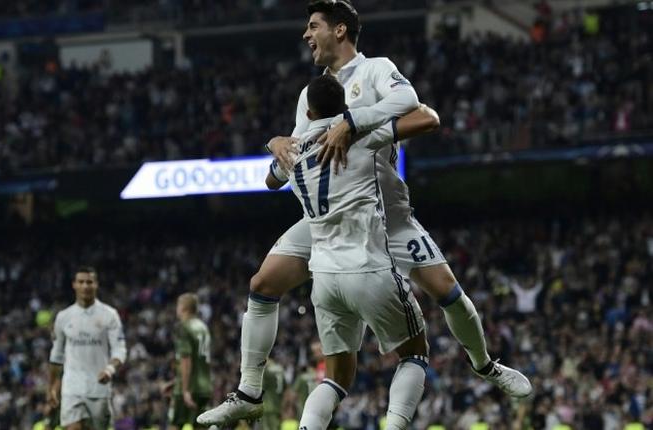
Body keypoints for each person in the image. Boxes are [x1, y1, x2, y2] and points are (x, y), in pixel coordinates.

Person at [198, 0, 531, 426]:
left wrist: (353, 122)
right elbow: (302, 147)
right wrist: (276, 143)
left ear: (339, 30)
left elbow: (413, 103)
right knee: (262, 283)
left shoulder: (376, 69)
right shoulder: (310, 93)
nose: (306, 35)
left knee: (448, 291)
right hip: (333, 216)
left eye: (313, 26)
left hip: (388, 213)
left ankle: (485, 366)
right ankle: (248, 391)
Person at [295, 73, 431, 429]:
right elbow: (425, 118)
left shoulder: (291, 152)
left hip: (323, 276)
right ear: (345, 108)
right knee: (414, 353)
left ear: (308, 113)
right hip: (367, 266)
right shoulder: (363, 137)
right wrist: (361, 118)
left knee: (336, 376)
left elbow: (270, 179)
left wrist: (276, 142)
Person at [47, 266, 127, 430]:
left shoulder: (109, 315)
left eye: (89, 282)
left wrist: (110, 370)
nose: (85, 286)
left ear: (96, 285)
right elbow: (56, 355)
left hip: (99, 389)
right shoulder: (63, 317)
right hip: (72, 388)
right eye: (81, 282)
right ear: (74, 285)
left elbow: (120, 349)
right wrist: (53, 386)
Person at [168, 293, 213, 429]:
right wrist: (174, 382)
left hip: (188, 387)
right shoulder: (203, 328)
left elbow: (186, 360)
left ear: (183, 308)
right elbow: (201, 361)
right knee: (200, 426)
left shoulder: (184, 328)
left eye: (178, 305)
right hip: (204, 387)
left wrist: (185, 389)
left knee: (175, 425)